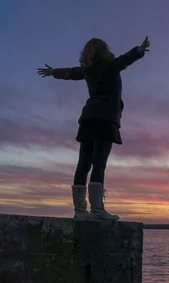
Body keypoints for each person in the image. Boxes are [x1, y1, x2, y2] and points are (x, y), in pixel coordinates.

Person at [37, 36, 150, 220]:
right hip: (105, 120)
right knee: (99, 165)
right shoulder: (110, 66)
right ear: (104, 51)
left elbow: (72, 73)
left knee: (83, 165)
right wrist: (139, 50)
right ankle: (97, 209)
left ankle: (80, 211)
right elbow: (125, 59)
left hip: (88, 119)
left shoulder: (87, 70)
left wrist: (53, 72)